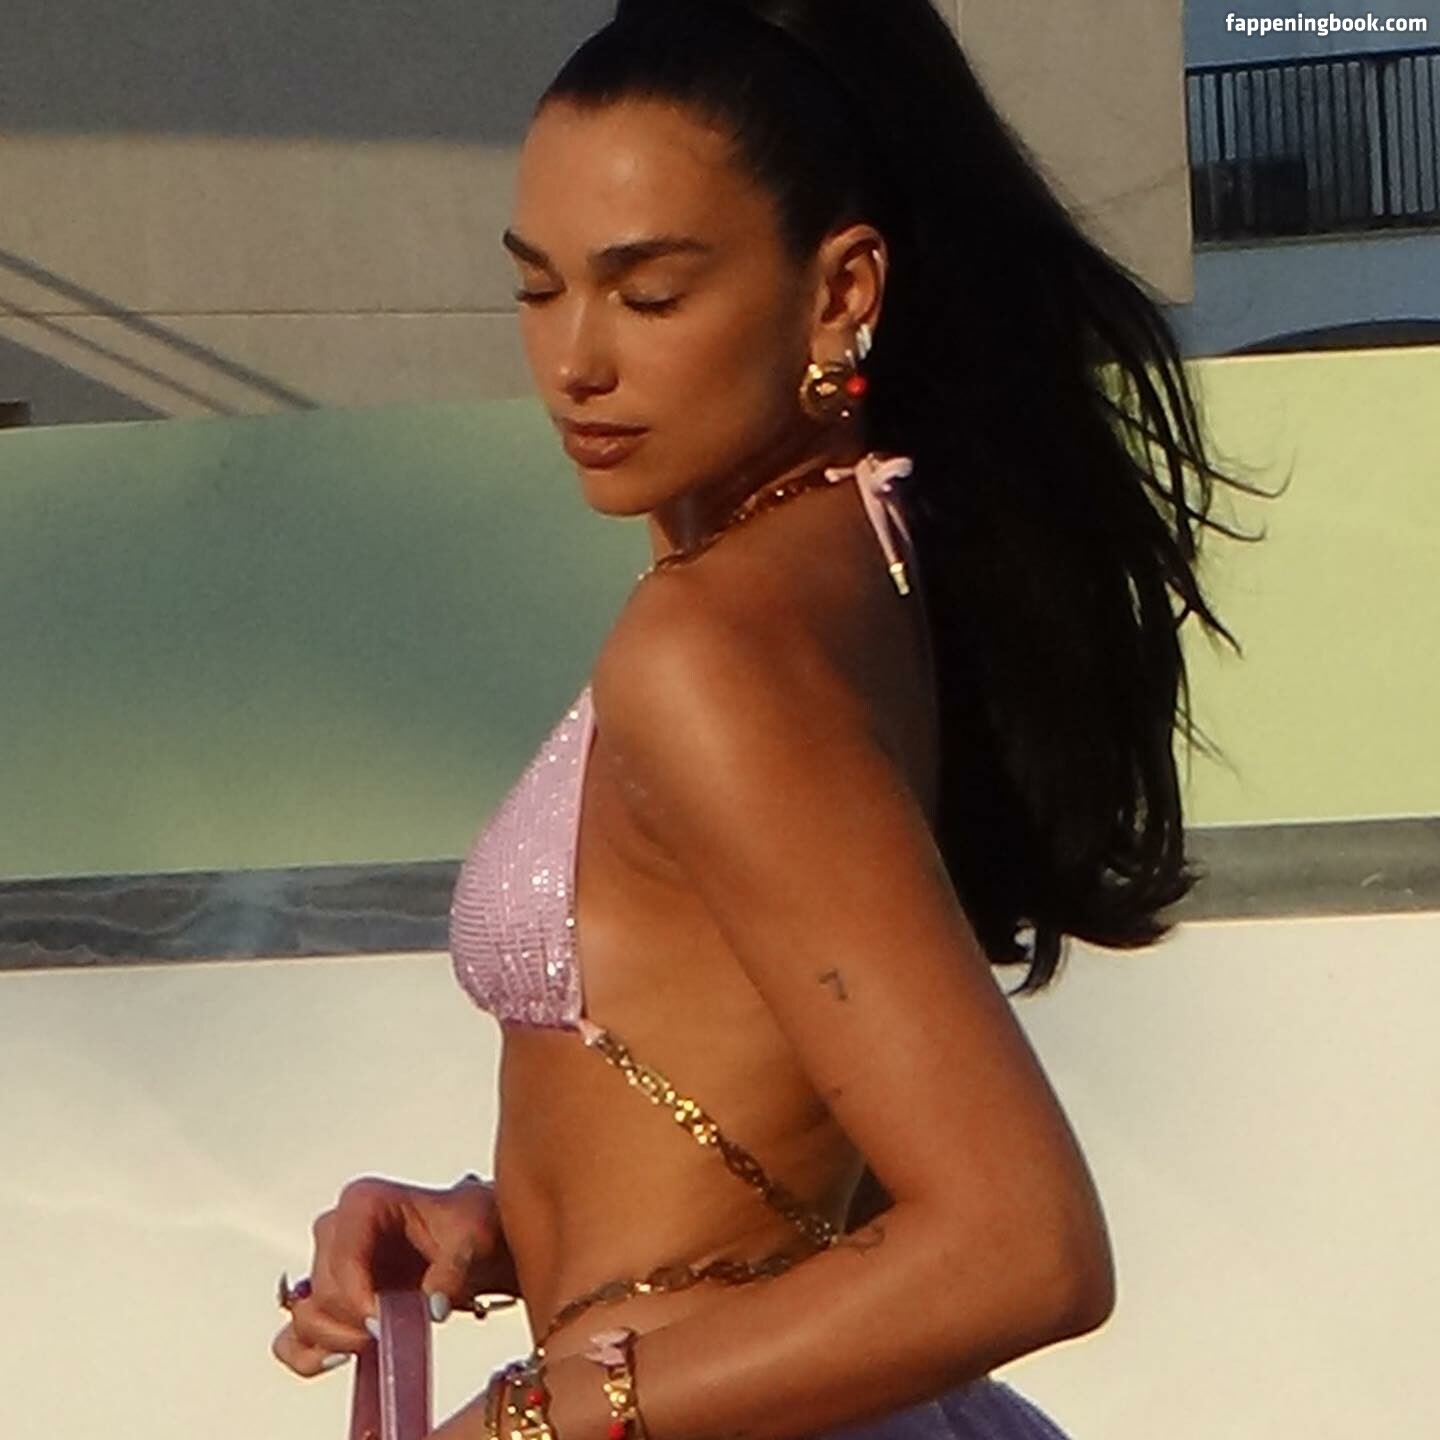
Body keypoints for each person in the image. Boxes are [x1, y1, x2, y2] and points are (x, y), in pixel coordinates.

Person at [271, 2, 1269, 1436]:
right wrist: (502, 1229)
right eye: (538, 288)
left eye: (649, 294)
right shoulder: (865, 561)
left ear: (840, 290)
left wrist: (533, 1423)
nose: (576, 362)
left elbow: (1026, 1244)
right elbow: (778, 1121)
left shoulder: (712, 644)